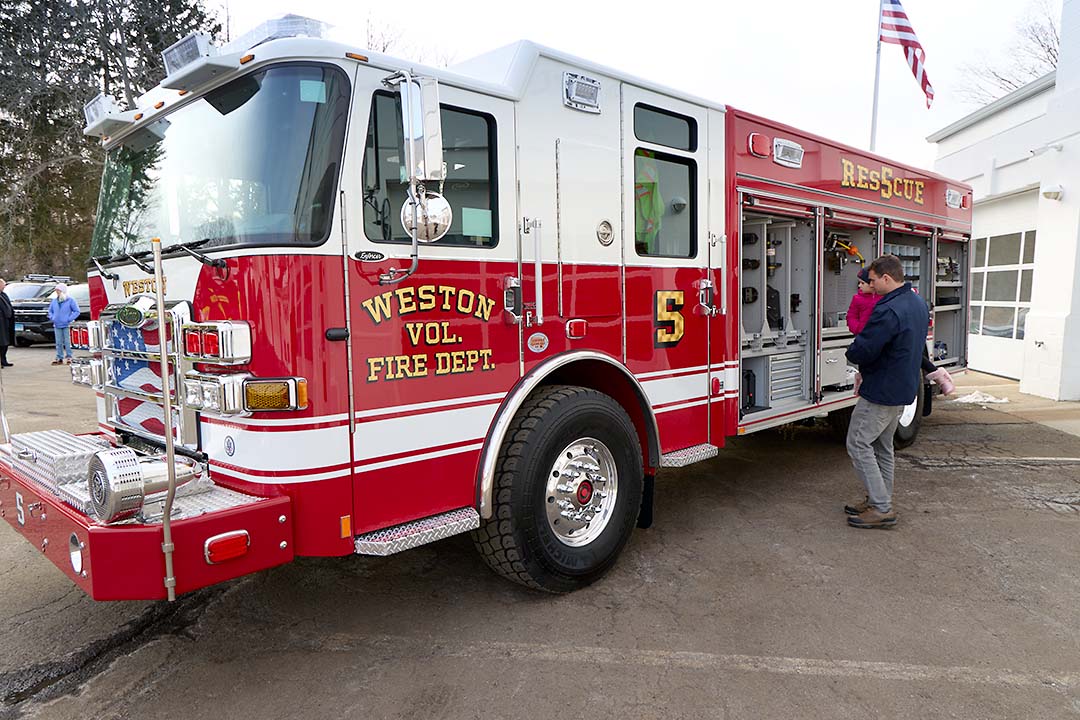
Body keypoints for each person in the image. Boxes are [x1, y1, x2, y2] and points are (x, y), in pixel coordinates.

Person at [843, 255, 929, 529]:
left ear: (886, 278)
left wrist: (851, 354)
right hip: (902, 387)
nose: (870, 285)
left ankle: (881, 507)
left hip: (881, 389)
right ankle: (878, 499)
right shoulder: (917, 302)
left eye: (872, 280)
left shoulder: (888, 309)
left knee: (858, 444)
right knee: (882, 446)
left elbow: (866, 348)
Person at [47, 283, 79, 365]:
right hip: (57, 324)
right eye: (56, 290)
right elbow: (50, 311)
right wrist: (52, 317)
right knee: (58, 342)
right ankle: (59, 357)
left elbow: (77, 311)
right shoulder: (54, 301)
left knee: (67, 342)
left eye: (58, 290)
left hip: (66, 324)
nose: (57, 292)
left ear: (63, 291)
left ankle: (69, 357)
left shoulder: (70, 300)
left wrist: (69, 319)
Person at [846, 267, 879, 335]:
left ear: (872, 284)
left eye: (862, 283)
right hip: (862, 335)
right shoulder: (857, 298)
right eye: (859, 282)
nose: (859, 285)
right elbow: (851, 316)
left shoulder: (883, 297)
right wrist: (857, 329)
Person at [0, 278, 14, 367]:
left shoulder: (3, 295)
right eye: (3, 285)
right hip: (1, 322)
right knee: (2, 342)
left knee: (5, 342)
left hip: (6, 321)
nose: (4, 287)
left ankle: (3, 360)